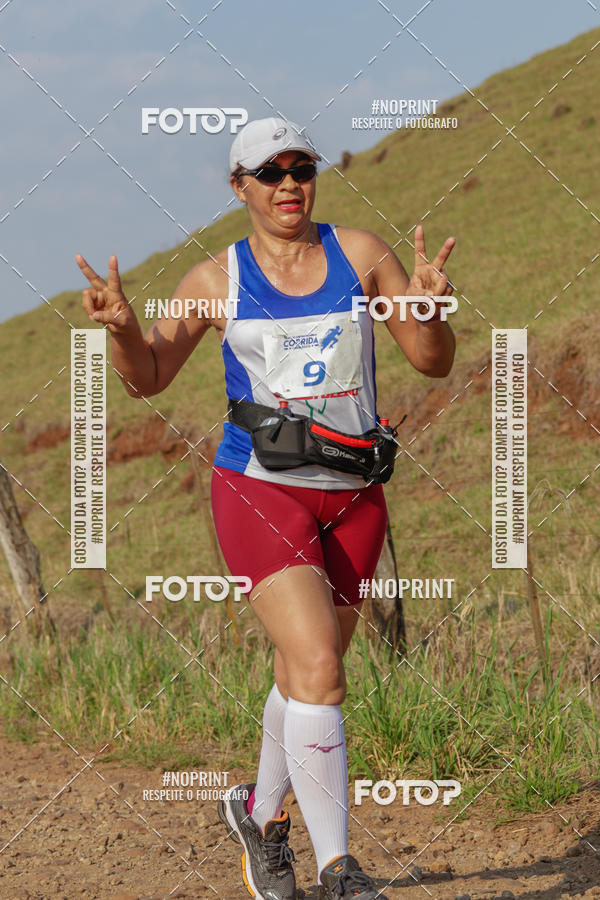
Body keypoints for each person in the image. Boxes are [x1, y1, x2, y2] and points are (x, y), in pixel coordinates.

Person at [76, 116, 456, 900]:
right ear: (239, 186)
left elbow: (430, 363)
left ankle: (260, 815)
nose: (289, 183)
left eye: (301, 167)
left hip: (355, 495)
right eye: (269, 170)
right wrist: (121, 331)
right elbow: (149, 376)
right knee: (319, 668)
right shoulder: (214, 281)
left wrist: (429, 310)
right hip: (261, 488)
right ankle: (338, 871)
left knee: (307, 671)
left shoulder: (361, 255)